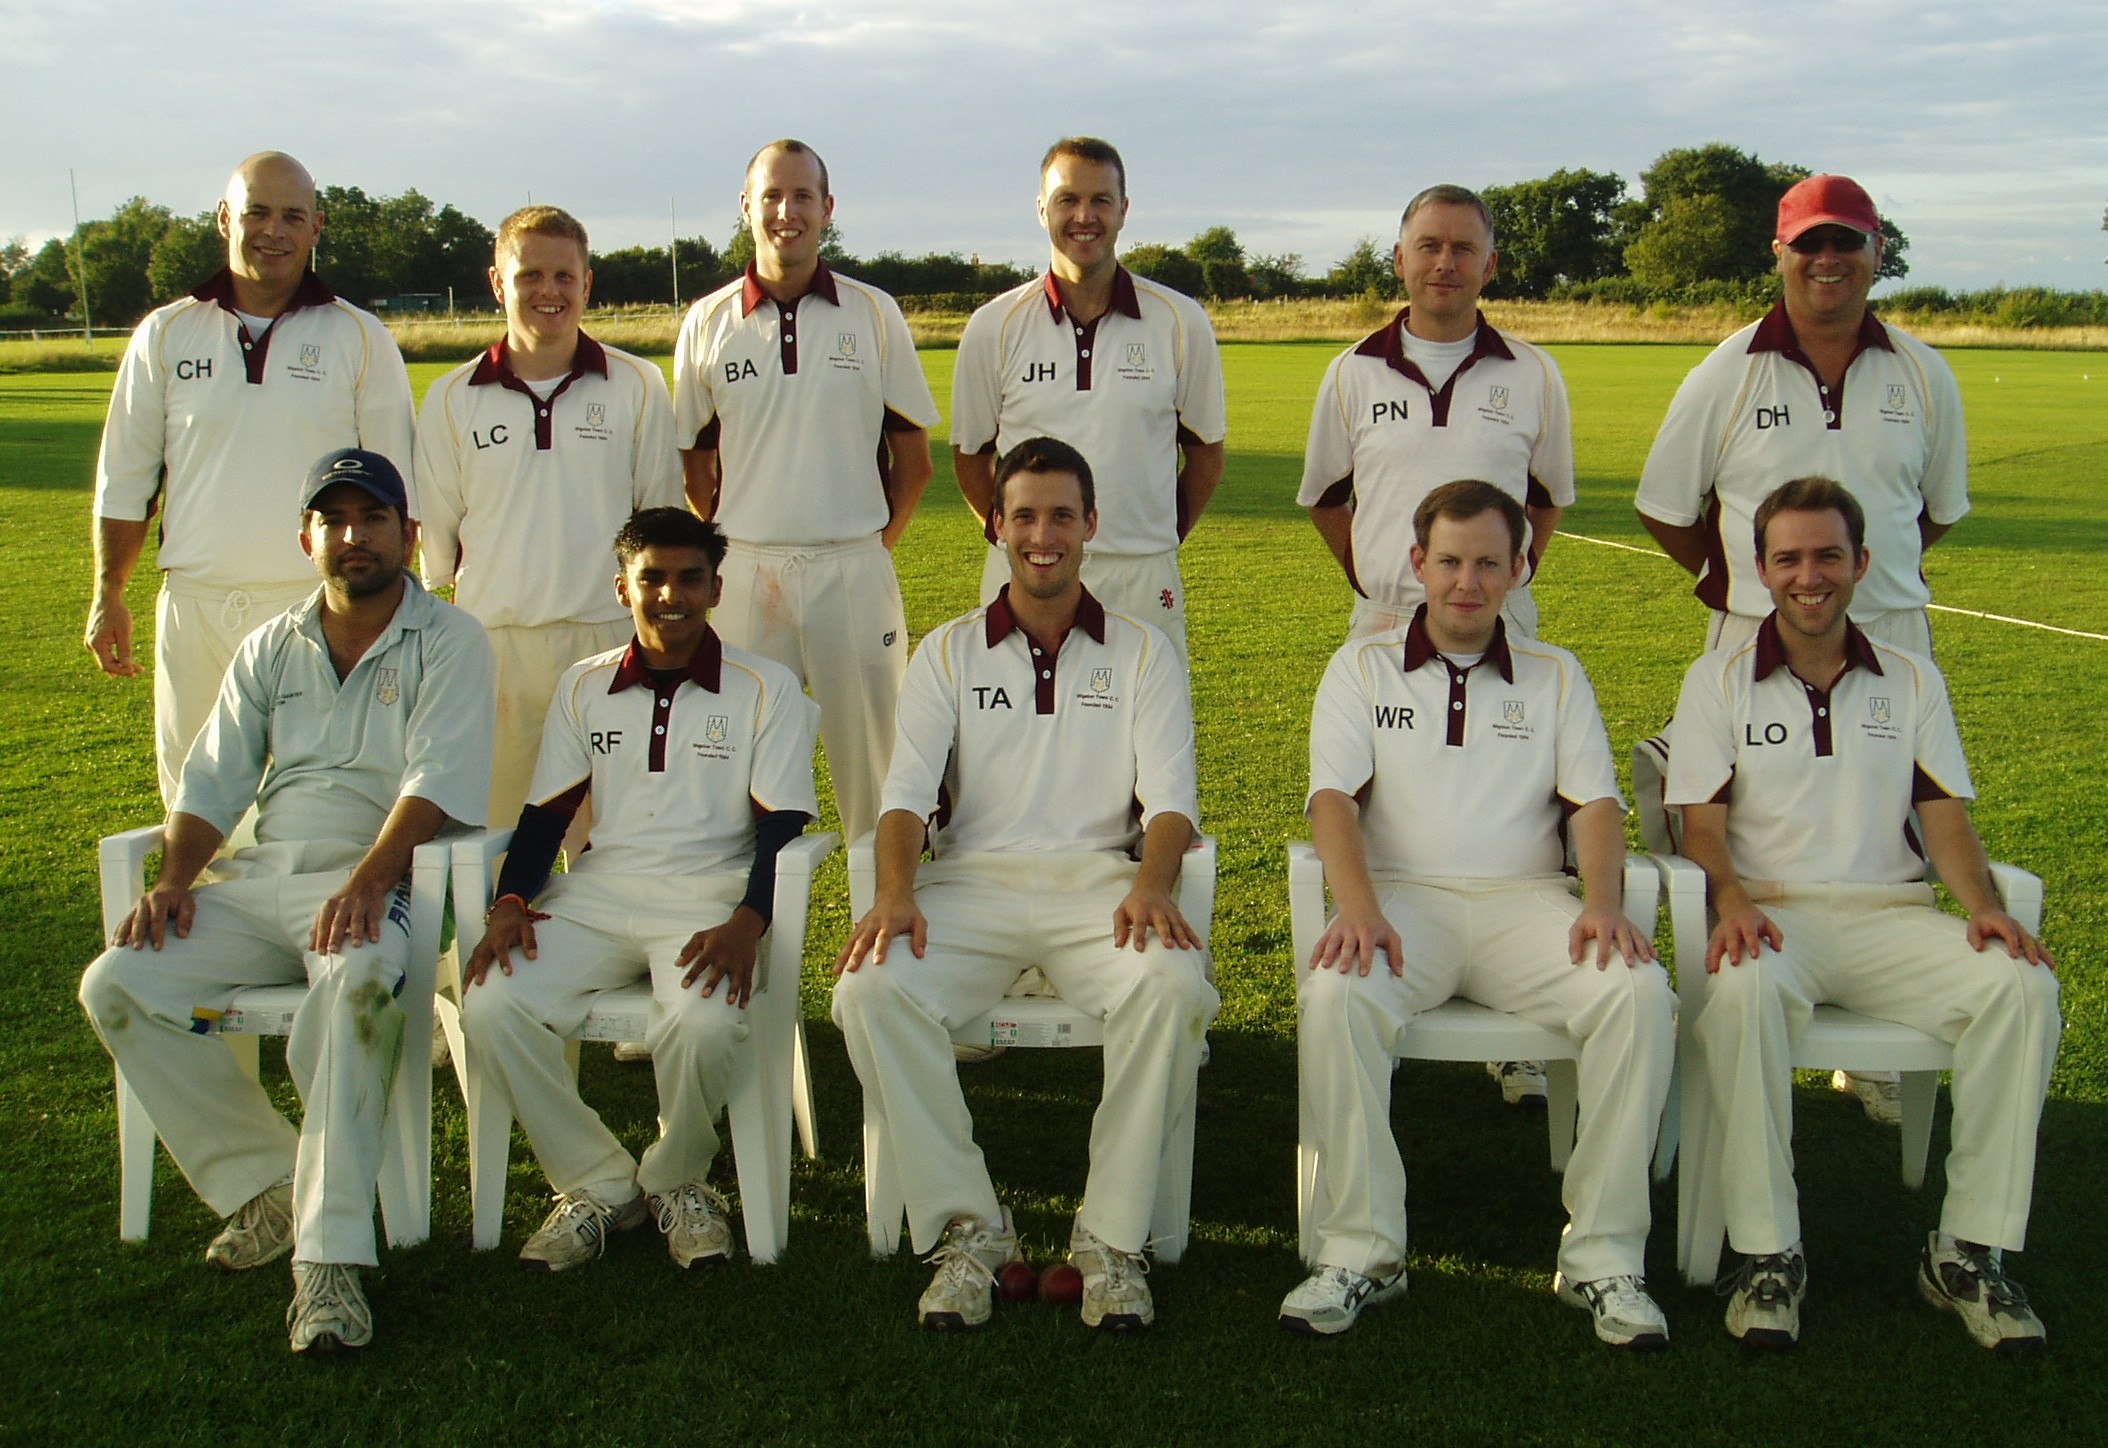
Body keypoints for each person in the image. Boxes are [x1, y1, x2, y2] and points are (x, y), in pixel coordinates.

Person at [78, 448, 494, 1354]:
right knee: (119, 981)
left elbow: (437, 781)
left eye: (373, 518)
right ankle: (267, 1185)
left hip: (375, 879)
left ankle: (329, 1264)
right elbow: (213, 781)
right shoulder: (272, 643)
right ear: (308, 538)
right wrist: (175, 884)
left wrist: (369, 880)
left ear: (408, 534)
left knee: (350, 995)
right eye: (335, 521)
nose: (354, 537)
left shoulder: (451, 639)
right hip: (261, 882)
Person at [1665, 476, 2058, 1354]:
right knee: (1742, 992)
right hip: (1775, 918)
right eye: (1790, 558)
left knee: (2022, 991)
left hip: (1892, 916)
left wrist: (1987, 908)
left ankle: (1967, 1252)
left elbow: (1945, 817)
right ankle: (1768, 1254)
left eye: (1828, 555)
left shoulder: (1912, 678)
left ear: (1861, 564)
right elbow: (1701, 825)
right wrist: (1729, 899)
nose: (1811, 575)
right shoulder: (1717, 679)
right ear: (1762, 571)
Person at [833, 436, 1216, 1333]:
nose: (1043, 535)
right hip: (973, 885)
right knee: (870, 990)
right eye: (1025, 516)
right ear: (996, 524)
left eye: (1062, 516)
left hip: (1099, 889)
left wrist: (1155, 886)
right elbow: (904, 799)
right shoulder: (948, 652)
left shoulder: (1143, 652)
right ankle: (971, 1231)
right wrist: (895, 894)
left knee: (1170, 983)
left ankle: (1110, 1241)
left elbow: (1170, 805)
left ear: (1091, 526)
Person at [1282, 480, 1674, 1346]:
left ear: (1519, 569)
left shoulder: (1556, 674)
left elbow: (1596, 807)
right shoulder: (1361, 666)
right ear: (1417, 564)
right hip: (1400, 907)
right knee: (1338, 994)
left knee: (1639, 995)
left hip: (1525, 906)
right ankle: (1361, 1251)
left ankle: (1605, 1260)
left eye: (1488, 563)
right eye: (1449, 561)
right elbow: (1333, 803)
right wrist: (1359, 909)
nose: (1467, 582)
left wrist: (1604, 904)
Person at [1635, 173, 1969, 1125]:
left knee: (1889, 839)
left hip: (1892, 633)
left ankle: (1867, 1040)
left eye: (1850, 243)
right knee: (1743, 836)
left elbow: (1933, 510)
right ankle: (1736, 1021)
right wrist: (1738, 587)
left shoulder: (1921, 371)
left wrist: (1856, 585)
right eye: (1810, 244)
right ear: (1779, 254)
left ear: (1877, 254)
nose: (1830, 261)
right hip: (1753, 635)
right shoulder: (1729, 369)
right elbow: (1666, 507)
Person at [458, 508, 819, 1272]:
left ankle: (678, 1177)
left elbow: (782, 822)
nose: (671, 595)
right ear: (622, 586)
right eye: (651, 577)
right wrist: (509, 904)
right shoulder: (585, 684)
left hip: (709, 896)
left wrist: (749, 919)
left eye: (690, 578)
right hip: (598, 888)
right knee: (492, 1003)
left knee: (704, 1023)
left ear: (717, 587)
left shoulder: (766, 686)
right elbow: (546, 815)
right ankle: (595, 1182)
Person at [88, 151, 416, 804]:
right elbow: (125, 480)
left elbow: (396, 489)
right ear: (223, 219)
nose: (274, 230)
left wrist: (392, 611)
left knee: (311, 803)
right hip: (196, 604)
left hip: (315, 606)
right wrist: (109, 592)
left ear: (316, 228)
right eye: (257, 212)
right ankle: (204, 909)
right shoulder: (166, 333)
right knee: (195, 800)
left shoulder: (359, 335)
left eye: (293, 216)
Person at [672, 138, 939, 844]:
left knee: (878, 776)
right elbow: (696, 462)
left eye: (801, 197)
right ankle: (740, 948)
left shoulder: (873, 312)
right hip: (746, 572)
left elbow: (913, 460)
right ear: (746, 207)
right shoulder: (707, 319)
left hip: (852, 567)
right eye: (770, 196)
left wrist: (868, 545)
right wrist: (737, 531)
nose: (786, 211)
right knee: (735, 775)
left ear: (828, 209)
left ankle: (885, 947)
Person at [417, 205, 684, 834]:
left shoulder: (638, 384)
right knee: (496, 833)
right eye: (530, 275)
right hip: (494, 646)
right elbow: (440, 534)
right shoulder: (453, 397)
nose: (548, 291)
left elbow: (660, 519)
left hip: (610, 638)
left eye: (564, 276)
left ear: (587, 284)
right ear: (497, 282)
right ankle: (489, 936)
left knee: (613, 835)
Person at [950, 136, 1227, 664]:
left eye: (1101, 200)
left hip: (1142, 577)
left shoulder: (1179, 320)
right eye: (1067, 199)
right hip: (1026, 573)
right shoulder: (994, 326)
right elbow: (970, 457)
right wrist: (1021, 538)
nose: (1085, 216)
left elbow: (1207, 458)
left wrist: (1152, 534)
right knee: (1016, 741)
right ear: (1041, 209)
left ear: (1124, 210)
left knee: (1146, 743)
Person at [1298, 185, 1573, 644]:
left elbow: (1548, 498)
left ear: (1490, 265)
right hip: (1385, 622)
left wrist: (1510, 576)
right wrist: (1370, 573)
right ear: (1401, 259)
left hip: (1499, 619)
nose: (1445, 263)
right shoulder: (1352, 371)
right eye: (1429, 246)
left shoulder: (1534, 373)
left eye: (1464, 249)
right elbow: (1325, 499)